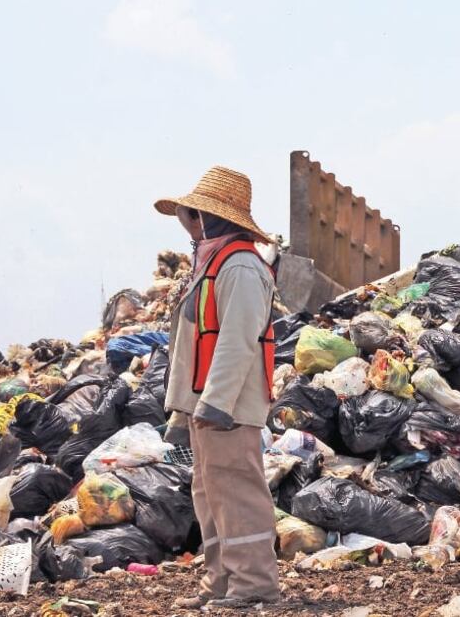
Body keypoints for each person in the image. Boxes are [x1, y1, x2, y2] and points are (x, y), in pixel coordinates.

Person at [155, 166, 280, 610]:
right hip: (204, 406)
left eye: (193, 215)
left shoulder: (242, 267)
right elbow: (192, 344)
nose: (189, 224)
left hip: (227, 407)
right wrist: (182, 409)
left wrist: (216, 403)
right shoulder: (211, 263)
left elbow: (236, 340)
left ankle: (254, 585)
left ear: (213, 218)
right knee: (210, 497)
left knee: (237, 494)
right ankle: (222, 584)